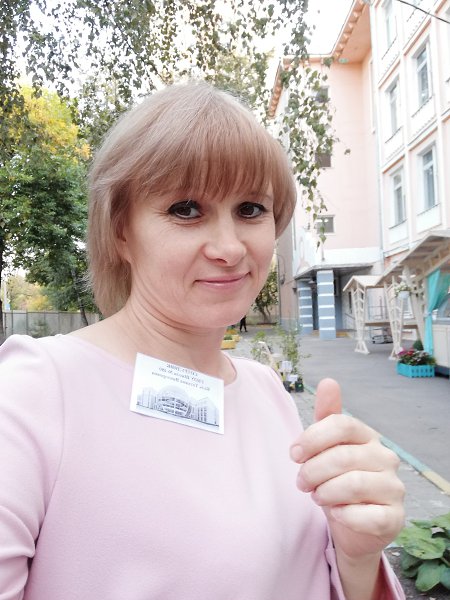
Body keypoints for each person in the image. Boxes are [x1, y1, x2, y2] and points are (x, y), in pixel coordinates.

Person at [0, 81, 406, 600]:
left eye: (250, 209)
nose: (229, 248)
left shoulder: (266, 392)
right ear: (121, 232)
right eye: (186, 209)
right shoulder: (35, 392)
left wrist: (357, 557)